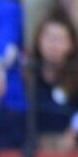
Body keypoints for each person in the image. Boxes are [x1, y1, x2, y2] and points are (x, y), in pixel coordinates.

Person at [29, 10, 78, 146]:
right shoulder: (26, 75)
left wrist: (74, 132)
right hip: (32, 149)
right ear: (39, 40)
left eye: (60, 39)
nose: (54, 45)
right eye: (49, 38)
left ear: (71, 44)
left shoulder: (76, 79)